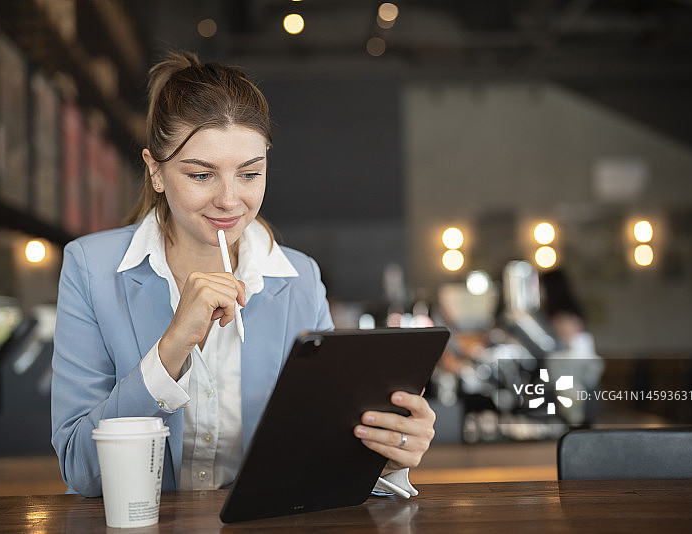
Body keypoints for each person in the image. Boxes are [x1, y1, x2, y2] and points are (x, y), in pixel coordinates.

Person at [50, 51, 436, 498]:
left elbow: (317, 456)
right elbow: (80, 467)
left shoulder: (299, 279)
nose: (230, 200)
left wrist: (381, 457)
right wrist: (172, 348)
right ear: (155, 170)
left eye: (250, 173)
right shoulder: (91, 269)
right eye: (201, 175)